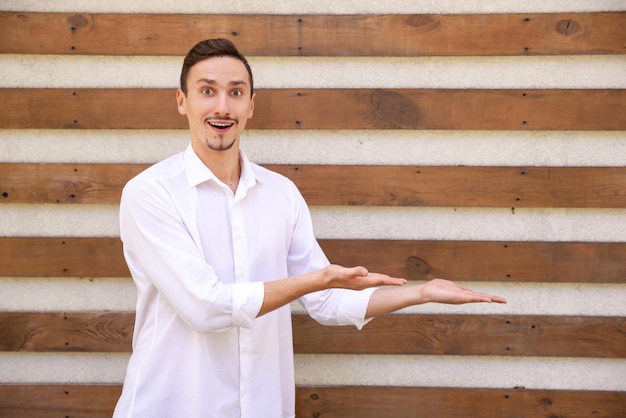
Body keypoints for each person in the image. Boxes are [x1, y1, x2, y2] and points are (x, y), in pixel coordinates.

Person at [113, 38, 506, 418]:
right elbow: (205, 308)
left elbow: (329, 301)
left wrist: (423, 293)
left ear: (251, 105)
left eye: (235, 93)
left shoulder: (281, 194)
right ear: (182, 101)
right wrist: (315, 280)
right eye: (206, 91)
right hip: (172, 407)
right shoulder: (150, 194)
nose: (222, 107)